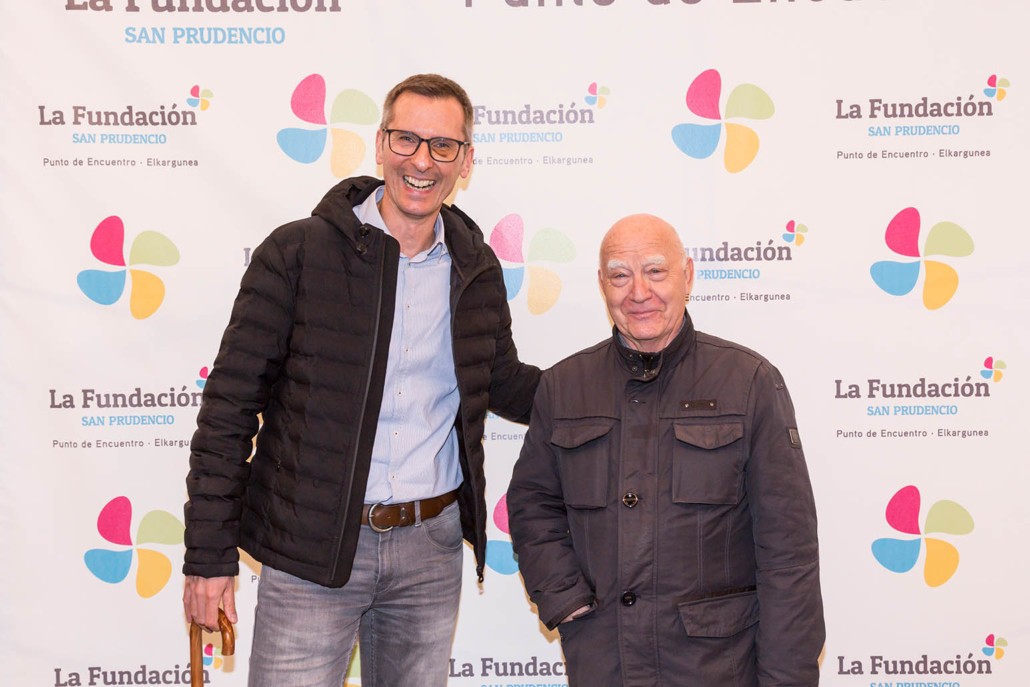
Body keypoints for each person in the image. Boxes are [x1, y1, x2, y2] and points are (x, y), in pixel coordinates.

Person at [183, 73, 540, 687]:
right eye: (406, 139)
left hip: (430, 552)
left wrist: (612, 384)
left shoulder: (475, 268)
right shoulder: (297, 253)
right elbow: (228, 411)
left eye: (443, 145)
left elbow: (503, 380)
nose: (422, 161)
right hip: (310, 547)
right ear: (379, 144)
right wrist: (208, 555)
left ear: (465, 161)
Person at [506, 214, 824, 686]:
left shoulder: (749, 383)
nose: (639, 292)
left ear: (687, 275)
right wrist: (564, 596)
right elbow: (532, 504)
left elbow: (788, 552)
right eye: (620, 275)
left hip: (715, 667)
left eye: (655, 271)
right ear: (602, 284)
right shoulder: (563, 387)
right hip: (604, 663)